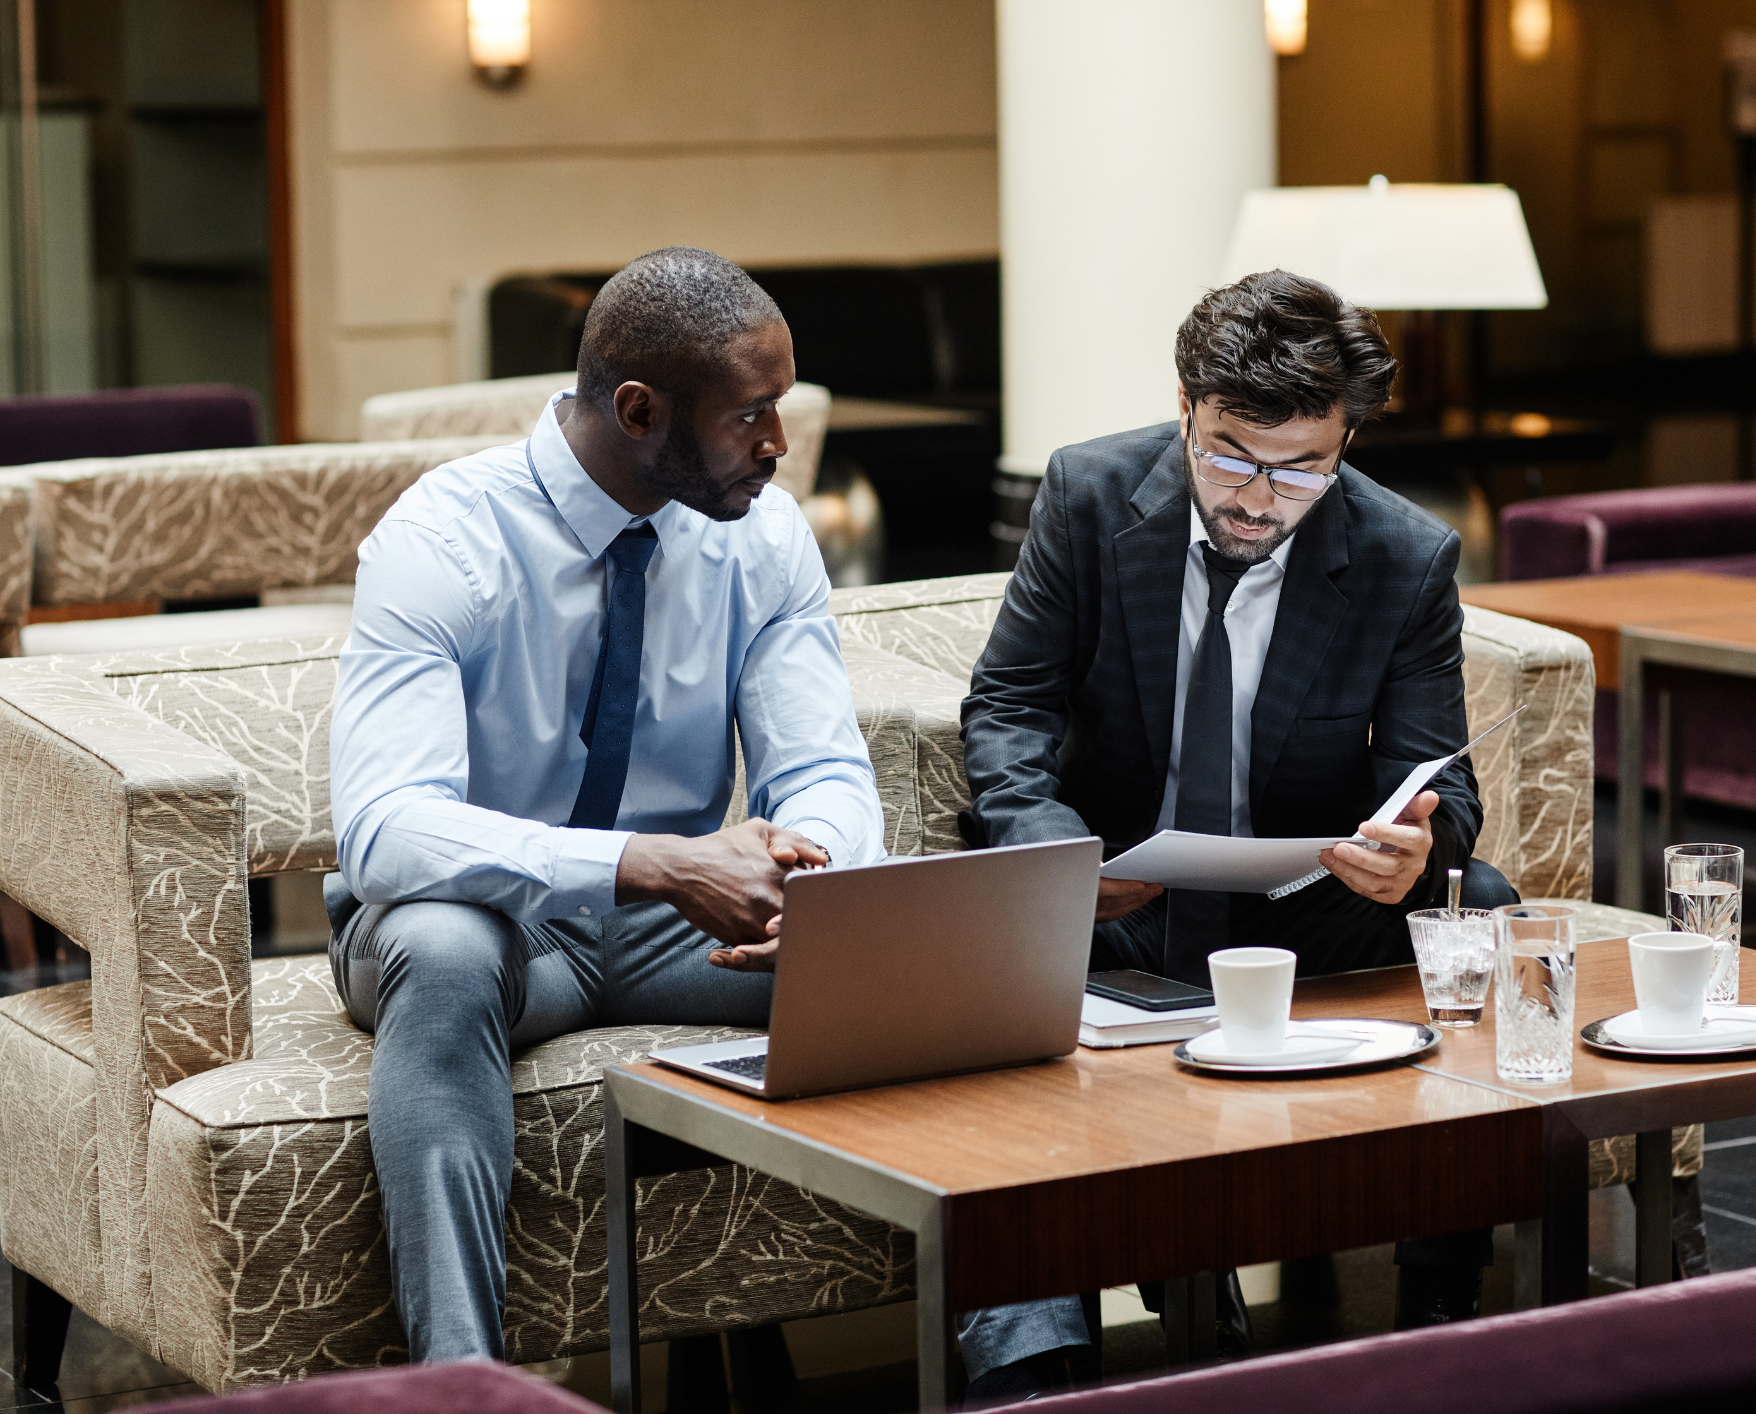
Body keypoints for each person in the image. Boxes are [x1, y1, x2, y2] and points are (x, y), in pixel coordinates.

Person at [958, 270, 1519, 1393]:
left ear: (1345, 440)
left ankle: (1440, 1306)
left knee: (1481, 911)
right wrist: (1058, 854)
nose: (1259, 497)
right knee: (978, 958)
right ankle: (1036, 1369)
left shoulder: (1404, 553)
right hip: (1117, 901)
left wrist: (1418, 847)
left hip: (1297, 905)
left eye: (1300, 466)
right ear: (1185, 408)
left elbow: (1441, 781)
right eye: (1230, 456)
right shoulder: (1087, 494)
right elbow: (1008, 704)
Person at [327, 247, 882, 1364]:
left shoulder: (765, 535)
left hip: (672, 927)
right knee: (441, 951)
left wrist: (813, 873)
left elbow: (822, 766)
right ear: (639, 411)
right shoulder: (444, 540)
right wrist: (656, 863)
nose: (778, 444)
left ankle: (1014, 1357)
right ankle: (464, 1386)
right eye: (751, 415)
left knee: (915, 949)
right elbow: (384, 830)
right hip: (484, 923)